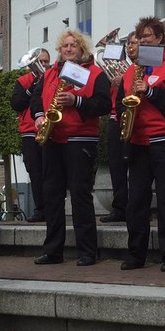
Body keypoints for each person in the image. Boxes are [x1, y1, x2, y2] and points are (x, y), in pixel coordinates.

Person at [30, 29, 111, 266]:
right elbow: (36, 99)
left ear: (82, 49)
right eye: (64, 45)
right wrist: (38, 117)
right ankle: (53, 250)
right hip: (53, 138)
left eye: (73, 45)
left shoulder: (95, 74)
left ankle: (87, 251)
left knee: (80, 195)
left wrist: (77, 101)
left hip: (80, 140)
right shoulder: (50, 74)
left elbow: (104, 104)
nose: (68, 49)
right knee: (52, 197)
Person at [118, 16, 165, 271]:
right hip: (138, 142)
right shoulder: (130, 71)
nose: (142, 41)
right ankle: (135, 254)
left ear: (159, 38)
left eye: (147, 36)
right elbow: (120, 105)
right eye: (140, 37)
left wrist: (150, 92)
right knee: (136, 201)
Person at [101, 31, 139, 223]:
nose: (131, 47)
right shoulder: (121, 65)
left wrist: (124, 80)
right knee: (116, 166)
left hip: (134, 121)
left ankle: (135, 207)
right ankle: (119, 207)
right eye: (129, 44)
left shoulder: (140, 68)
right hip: (116, 119)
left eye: (135, 43)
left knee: (135, 166)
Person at [9, 47, 51, 221]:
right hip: (29, 131)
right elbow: (16, 103)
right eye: (40, 62)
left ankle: (52, 208)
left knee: (51, 172)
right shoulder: (24, 80)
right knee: (35, 171)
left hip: (51, 129)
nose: (43, 64)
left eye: (46, 61)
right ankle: (41, 210)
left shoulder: (54, 78)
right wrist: (32, 88)